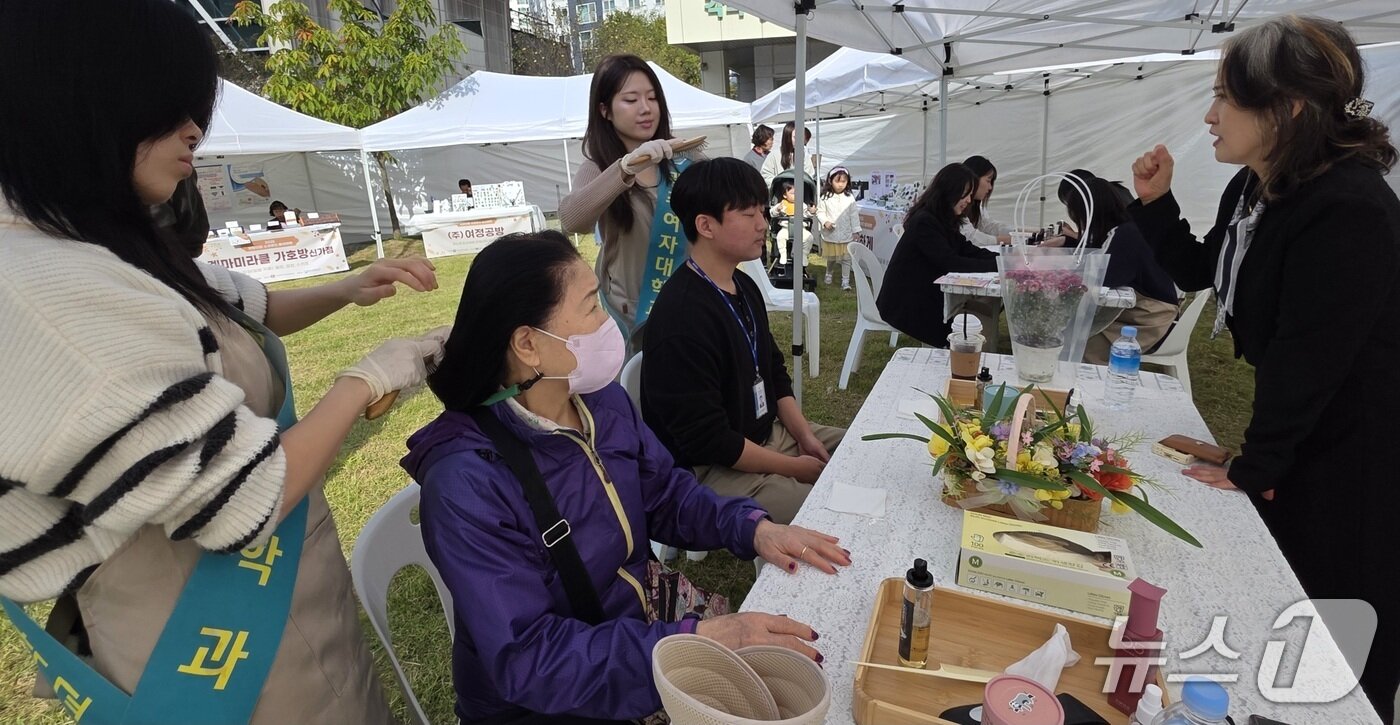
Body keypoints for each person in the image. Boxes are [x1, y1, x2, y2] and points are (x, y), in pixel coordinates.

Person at [0, 3, 448, 723]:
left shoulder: (99, 236)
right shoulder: (42, 289)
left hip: (284, 597)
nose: (194, 131)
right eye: (169, 106)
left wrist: (347, 288)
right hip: (202, 639)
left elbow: (241, 308)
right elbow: (247, 498)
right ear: (82, 99)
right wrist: (368, 376)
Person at [407, 231, 849, 724]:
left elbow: (664, 494)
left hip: (629, 626)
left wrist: (753, 527)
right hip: (549, 700)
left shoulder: (601, 402)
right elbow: (529, 659)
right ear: (529, 344)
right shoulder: (467, 482)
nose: (607, 324)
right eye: (592, 307)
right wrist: (695, 642)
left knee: (786, 677)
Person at [1128, 16, 1399, 722]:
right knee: (1281, 617)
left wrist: (1256, 465)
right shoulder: (1259, 187)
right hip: (1312, 440)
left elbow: (1312, 359)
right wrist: (1156, 205)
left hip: (1362, 463)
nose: (1210, 116)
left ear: (1288, 108)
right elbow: (1206, 270)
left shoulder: (1350, 207)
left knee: (1334, 643)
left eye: (1228, 98)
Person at [642, 158, 845, 525]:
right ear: (705, 225)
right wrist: (795, 468)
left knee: (867, 450)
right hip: (711, 469)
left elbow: (773, 370)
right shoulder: (682, 316)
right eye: (749, 214)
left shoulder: (743, 285)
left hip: (769, 436)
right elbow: (710, 440)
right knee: (832, 515)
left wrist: (804, 436)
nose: (762, 224)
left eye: (762, 212)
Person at [559, 55, 705, 352]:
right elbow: (572, 220)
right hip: (633, 316)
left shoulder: (683, 158)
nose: (646, 108)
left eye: (652, 98)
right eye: (630, 99)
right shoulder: (598, 167)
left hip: (691, 303)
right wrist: (626, 168)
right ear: (605, 110)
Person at [1053, 170, 1179, 364]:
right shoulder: (1124, 229)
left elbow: (1105, 279)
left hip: (1150, 317)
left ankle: (1079, 386)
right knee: (1069, 332)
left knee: (1076, 343)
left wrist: (1063, 273)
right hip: (1145, 309)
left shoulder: (1126, 235)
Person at [877, 163, 1000, 348]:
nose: (968, 200)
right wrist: (998, 265)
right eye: (965, 194)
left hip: (926, 295)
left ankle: (974, 362)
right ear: (950, 191)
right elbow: (951, 262)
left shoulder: (942, 219)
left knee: (983, 314)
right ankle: (965, 363)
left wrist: (1002, 261)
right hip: (908, 304)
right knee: (977, 322)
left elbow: (967, 249)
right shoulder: (925, 222)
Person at [960, 155, 1017, 246]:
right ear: (974, 178)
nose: (990, 187)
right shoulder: (956, 206)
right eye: (988, 181)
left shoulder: (975, 208)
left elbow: (989, 226)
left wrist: (1021, 232)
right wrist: (1011, 239)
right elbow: (971, 237)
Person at [817, 166, 858, 290]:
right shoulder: (825, 196)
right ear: (830, 181)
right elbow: (820, 212)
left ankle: (845, 282)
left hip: (846, 234)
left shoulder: (849, 197)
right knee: (832, 258)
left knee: (846, 258)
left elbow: (854, 214)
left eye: (844, 181)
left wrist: (856, 230)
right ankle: (829, 272)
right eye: (837, 181)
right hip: (831, 234)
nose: (841, 185)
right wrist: (825, 222)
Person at [760, 121, 817, 189]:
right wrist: (782, 185)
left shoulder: (804, 155)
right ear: (787, 137)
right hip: (780, 195)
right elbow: (765, 175)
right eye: (795, 137)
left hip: (800, 195)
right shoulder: (774, 155)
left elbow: (809, 175)